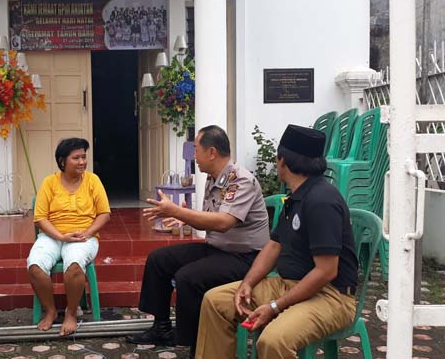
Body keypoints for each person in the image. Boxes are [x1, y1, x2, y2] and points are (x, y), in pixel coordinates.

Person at [195, 125, 358, 359]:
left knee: (273, 340)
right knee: (216, 301)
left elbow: (326, 271)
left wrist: (275, 307)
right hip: (288, 283)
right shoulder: (296, 196)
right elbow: (274, 245)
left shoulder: (322, 201)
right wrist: (248, 284)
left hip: (330, 296)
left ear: (283, 161)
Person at [126, 125, 269, 355]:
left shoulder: (240, 180)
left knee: (189, 278)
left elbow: (223, 222)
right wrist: (186, 218)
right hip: (218, 249)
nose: (194, 156)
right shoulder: (213, 178)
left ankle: (197, 344)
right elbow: (210, 220)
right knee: (159, 259)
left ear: (211, 152)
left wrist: (177, 212)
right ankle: (161, 327)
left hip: (246, 258)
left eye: (196, 150)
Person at [27, 138, 111, 336]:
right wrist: (61, 236)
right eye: (76, 158)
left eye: (84, 157)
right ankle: (50, 310)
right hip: (52, 236)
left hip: (83, 236)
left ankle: (71, 313)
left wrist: (88, 232)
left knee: (74, 264)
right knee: (35, 266)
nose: (82, 162)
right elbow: (40, 218)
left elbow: (104, 213)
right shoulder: (49, 182)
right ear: (62, 161)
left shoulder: (93, 181)